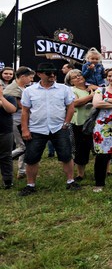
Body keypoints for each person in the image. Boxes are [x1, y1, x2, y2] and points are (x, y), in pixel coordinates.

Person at [18, 62, 77, 196]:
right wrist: (25, 129)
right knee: (32, 157)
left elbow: (70, 107)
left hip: (59, 128)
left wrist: (66, 124)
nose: (52, 76)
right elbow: (25, 111)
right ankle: (30, 184)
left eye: (54, 73)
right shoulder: (29, 91)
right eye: (48, 73)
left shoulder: (64, 89)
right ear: (39, 74)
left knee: (66, 155)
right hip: (36, 128)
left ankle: (71, 181)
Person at [4, 66, 36, 179]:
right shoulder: (12, 90)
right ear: (22, 76)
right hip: (15, 120)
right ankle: (5, 159)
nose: (31, 80)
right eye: (30, 77)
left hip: (23, 120)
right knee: (23, 146)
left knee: (25, 145)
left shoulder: (22, 88)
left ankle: (22, 171)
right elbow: (21, 106)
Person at [64, 69, 95, 182]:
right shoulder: (72, 90)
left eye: (79, 75)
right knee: (81, 148)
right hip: (80, 123)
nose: (78, 77)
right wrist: (91, 96)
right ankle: (80, 174)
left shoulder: (92, 88)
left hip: (95, 122)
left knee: (99, 147)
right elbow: (75, 103)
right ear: (71, 82)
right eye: (74, 77)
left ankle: (106, 170)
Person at [0, 82, 18, 189]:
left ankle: (7, 180)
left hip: (5, 131)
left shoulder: (9, 97)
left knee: (5, 156)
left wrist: (1, 98)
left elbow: (11, 109)